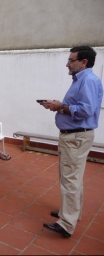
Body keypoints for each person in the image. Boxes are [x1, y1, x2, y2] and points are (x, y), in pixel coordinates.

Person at [40, 46, 103, 238]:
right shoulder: (82, 80)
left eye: (71, 60)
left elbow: (86, 110)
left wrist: (61, 107)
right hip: (74, 136)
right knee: (72, 178)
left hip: (75, 137)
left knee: (70, 180)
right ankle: (71, 213)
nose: (67, 63)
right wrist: (60, 107)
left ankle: (66, 224)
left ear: (83, 62)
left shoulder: (88, 80)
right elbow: (79, 107)